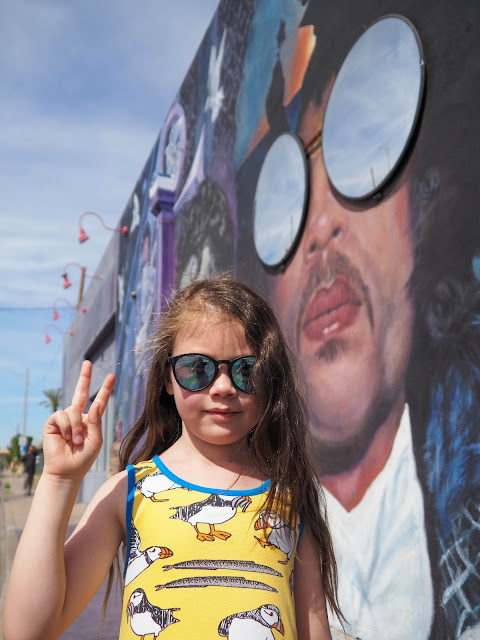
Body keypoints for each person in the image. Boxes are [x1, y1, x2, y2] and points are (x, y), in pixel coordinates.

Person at [3, 275, 341, 640]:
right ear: (167, 378)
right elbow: (26, 631)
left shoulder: (290, 497)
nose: (224, 387)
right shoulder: (130, 492)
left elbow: (314, 627)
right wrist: (59, 481)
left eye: (247, 370)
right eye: (198, 369)